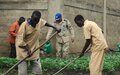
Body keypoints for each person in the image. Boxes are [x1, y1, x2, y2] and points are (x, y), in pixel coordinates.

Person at [16, 10, 59, 75]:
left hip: (34, 50)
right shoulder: (24, 25)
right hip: (23, 51)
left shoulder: (39, 21)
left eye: (37, 20)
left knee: (38, 71)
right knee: (23, 73)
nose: (35, 22)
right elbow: (20, 41)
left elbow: (45, 23)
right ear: (31, 17)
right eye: (34, 20)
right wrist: (28, 49)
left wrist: (54, 27)